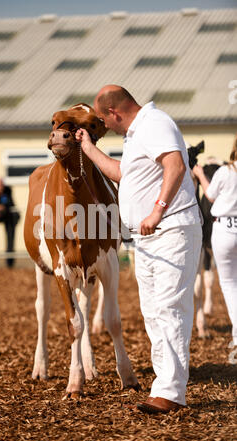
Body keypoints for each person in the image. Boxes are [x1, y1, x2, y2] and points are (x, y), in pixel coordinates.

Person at [75, 85, 202, 414]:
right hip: (146, 237)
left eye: (105, 121)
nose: (107, 127)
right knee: (154, 311)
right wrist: (88, 148)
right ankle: (165, 385)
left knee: (170, 307)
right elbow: (121, 175)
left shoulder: (155, 123)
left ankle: (171, 393)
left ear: (115, 112)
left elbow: (176, 165)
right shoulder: (134, 137)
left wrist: (158, 210)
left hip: (171, 227)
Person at [193, 135, 237, 364]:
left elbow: (210, 196)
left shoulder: (224, 172)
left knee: (229, 285)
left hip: (224, 230)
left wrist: (200, 175)